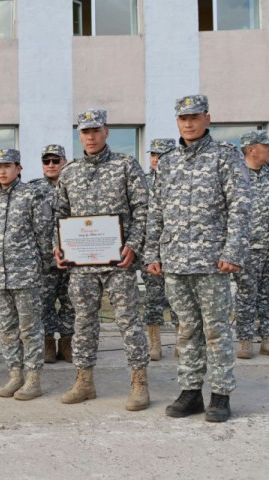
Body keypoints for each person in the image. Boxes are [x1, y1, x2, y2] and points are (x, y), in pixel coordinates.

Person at [145, 94, 251, 422]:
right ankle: (191, 392)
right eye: (182, 118)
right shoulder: (169, 161)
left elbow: (240, 205)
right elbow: (156, 209)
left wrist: (233, 252)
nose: (188, 123)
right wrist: (152, 252)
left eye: (194, 116)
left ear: (207, 117)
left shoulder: (225, 157)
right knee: (186, 328)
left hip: (212, 262)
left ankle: (220, 394)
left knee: (216, 328)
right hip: (176, 260)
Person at [53, 109, 150, 411]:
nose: (91, 136)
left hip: (117, 262)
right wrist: (59, 246)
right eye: (85, 132)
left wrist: (133, 245)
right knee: (83, 323)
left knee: (128, 321)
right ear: (79, 135)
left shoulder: (125, 166)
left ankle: (139, 382)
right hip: (81, 266)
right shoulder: (70, 172)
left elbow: (143, 209)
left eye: (96, 130)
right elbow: (59, 214)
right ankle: (85, 382)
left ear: (106, 131)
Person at [0, 148, 52, 400]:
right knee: (8, 329)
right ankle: (15, 375)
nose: (2, 170)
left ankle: (33, 378)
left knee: (30, 328)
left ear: (19, 168)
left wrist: (41, 267)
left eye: (7, 166)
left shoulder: (33, 195)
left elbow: (44, 234)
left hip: (25, 274)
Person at [30, 144, 75, 363]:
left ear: (64, 162)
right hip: (44, 259)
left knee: (70, 302)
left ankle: (66, 343)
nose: (50, 165)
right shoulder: (32, 189)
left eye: (55, 161)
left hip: (72, 257)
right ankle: (48, 342)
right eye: (46, 161)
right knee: (44, 302)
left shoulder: (76, 186)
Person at [140, 138, 180, 361]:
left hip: (175, 247)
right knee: (153, 297)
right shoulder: (143, 182)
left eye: (161, 155)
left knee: (178, 297)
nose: (156, 159)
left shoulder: (179, 180)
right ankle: (154, 344)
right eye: (153, 155)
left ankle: (180, 342)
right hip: (150, 248)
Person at [232, 130, 269, 359]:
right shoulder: (237, 174)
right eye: (265, 146)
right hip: (247, 248)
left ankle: (267, 338)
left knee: (267, 294)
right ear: (251, 149)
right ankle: (245, 340)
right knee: (247, 295)